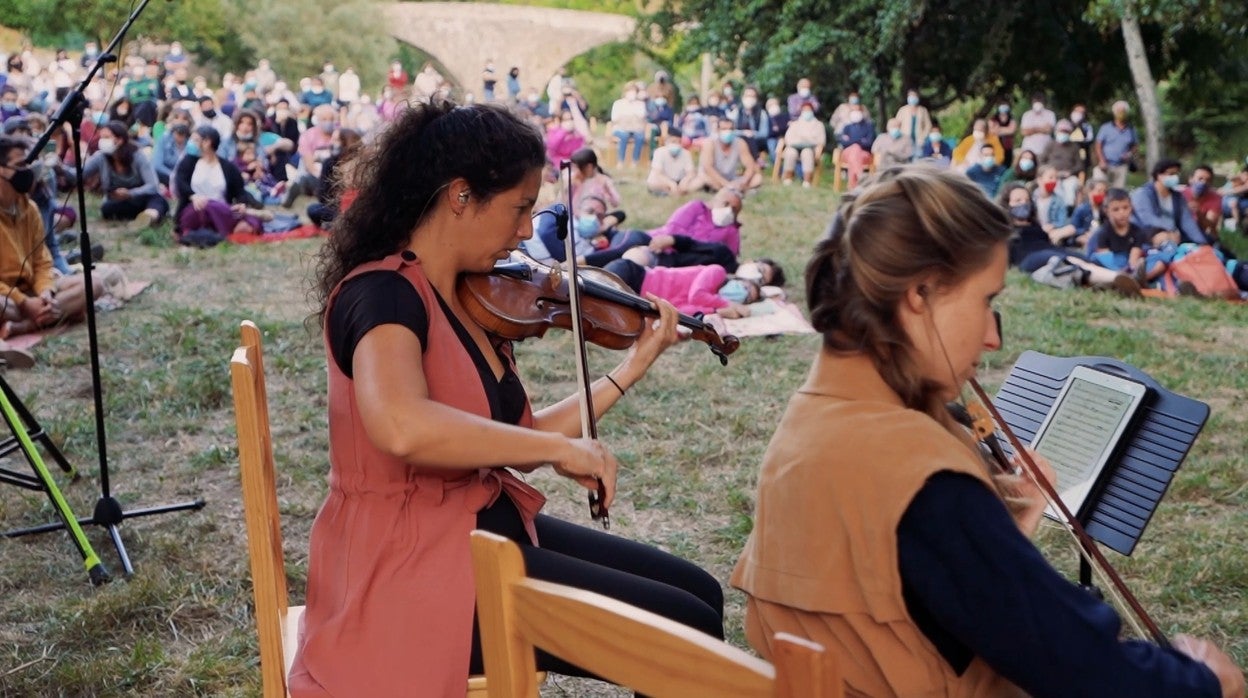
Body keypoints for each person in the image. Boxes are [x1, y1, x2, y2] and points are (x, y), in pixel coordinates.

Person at [730, 165, 1243, 697]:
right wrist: (1202, 680)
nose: (993, 337)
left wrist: (998, 529)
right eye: (986, 301)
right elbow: (1087, 671)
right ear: (920, 294)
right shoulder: (921, 478)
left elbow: (914, 603)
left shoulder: (813, 417)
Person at [295, 101, 724, 696]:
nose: (528, 231)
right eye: (521, 208)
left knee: (702, 594)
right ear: (461, 195)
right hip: (406, 569)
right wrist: (556, 451)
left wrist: (635, 363)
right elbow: (401, 425)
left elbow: (518, 444)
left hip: (474, 526)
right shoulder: (382, 296)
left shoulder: (468, 298)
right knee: (687, 630)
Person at [0, 137, 101, 357]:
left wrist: (45, 293)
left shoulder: (30, 208)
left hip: (30, 291)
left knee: (93, 283)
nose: (27, 171)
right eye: (20, 165)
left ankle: (26, 325)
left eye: (28, 164)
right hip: (6, 297)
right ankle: (58, 313)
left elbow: (42, 261)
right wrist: (25, 303)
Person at [173, 125, 264, 244]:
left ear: (207, 142)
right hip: (195, 209)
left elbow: (240, 191)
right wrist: (193, 196)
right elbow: (180, 183)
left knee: (244, 219)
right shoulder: (187, 162)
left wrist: (241, 204)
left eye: (195, 139)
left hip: (221, 210)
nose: (190, 143)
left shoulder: (228, 168)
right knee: (204, 208)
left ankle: (218, 230)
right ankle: (221, 231)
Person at [81, 121, 169, 228]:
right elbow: (78, 174)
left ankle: (150, 216)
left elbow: (152, 185)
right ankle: (142, 218)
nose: (102, 141)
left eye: (107, 137)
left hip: (142, 196)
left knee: (157, 199)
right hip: (119, 201)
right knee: (107, 209)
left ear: (120, 140)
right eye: (102, 137)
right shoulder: (100, 157)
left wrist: (130, 193)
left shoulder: (138, 156)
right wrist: (60, 167)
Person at [1086, 187, 1167, 285]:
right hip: (1111, 266)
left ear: (1131, 208)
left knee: (1159, 262)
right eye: (1116, 209)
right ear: (1106, 211)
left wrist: (1132, 268)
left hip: (1131, 266)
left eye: (1125, 208)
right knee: (1095, 262)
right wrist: (1120, 271)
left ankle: (1136, 280)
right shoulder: (1103, 232)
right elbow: (1106, 260)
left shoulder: (1137, 231)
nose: (1122, 213)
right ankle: (1124, 280)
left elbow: (1134, 258)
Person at [1130, 159, 1208, 248]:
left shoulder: (1178, 197)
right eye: (1171, 174)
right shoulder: (1142, 194)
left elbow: (1188, 222)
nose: (1175, 177)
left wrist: (1202, 243)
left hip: (1175, 236)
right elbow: (1148, 218)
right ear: (1159, 175)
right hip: (1147, 235)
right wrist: (1171, 230)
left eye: (1176, 174)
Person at [699, 117, 762, 193]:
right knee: (705, 179)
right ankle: (732, 190)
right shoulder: (710, 143)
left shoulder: (740, 143)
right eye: (724, 129)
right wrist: (725, 184)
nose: (728, 132)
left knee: (758, 178)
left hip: (731, 178)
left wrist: (744, 181)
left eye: (730, 129)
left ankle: (733, 190)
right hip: (714, 178)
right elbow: (708, 168)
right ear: (718, 130)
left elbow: (750, 166)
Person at [780, 101, 826, 188]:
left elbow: (821, 140)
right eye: (805, 110)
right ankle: (788, 178)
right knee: (790, 153)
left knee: (807, 153)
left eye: (809, 110)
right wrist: (801, 140)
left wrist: (806, 140)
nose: (807, 112)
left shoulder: (819, 125)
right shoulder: (795, 124)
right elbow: (788, 138)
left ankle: (807, 181)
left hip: (811, 148)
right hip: (794, 146)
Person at [1094, 101, 1139, 188]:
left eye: (1123, 111)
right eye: (1119, 111)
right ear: (1114, 113)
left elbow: (1135, 146)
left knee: (1118, 191)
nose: (1121, 113)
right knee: (1100, 187)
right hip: (1105, 164)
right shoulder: (1105, 128)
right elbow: (1098, 145)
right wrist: (1101, 160)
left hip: (1121, 166)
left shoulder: (1131, 129)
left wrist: (1129, 154)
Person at [646, 131, 703, 196]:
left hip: (680, 181)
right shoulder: (659, 152)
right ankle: (671, 192)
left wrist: (684, 181)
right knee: (652, 182)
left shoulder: (686, 153)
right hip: (664, 181)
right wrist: (671, 184)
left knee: (699, 180)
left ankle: (678, 191)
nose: (676, 144)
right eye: (673, 141)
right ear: (667, 142)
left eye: (679, 142)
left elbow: (691, 173)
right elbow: (657, 173)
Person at [1183, 164, 1223, 240]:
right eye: (1200, 179)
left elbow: (1210, 226)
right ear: (1191, 179)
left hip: (1201, 232)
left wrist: (1198, 213)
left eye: (1208, 180)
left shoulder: (1215, 198)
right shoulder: (1180, 195)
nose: (1203, 182)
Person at [893, 89, 932, 158]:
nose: (912, 98)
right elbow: (896, 124)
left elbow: (928, 125)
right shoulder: (902, 110)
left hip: (919, 141)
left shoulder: (923, 110)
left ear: (918, 98)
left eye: (914, 96)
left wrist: (924, 136)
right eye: (911, 96)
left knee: (917, 159)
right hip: (905, 140)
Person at [1019, 92, 1056, 160]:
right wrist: (1041, 129)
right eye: (1036, 101)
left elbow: (1049, 130)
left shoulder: (1050, 114)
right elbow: (1024, 132)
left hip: (1045, 148)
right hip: (1029, 148)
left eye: (1040, 101)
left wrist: (1032, 129)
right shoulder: (1027, 115)